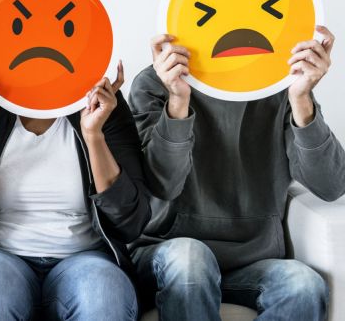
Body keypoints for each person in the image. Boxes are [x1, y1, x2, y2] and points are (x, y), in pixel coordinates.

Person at [128, 26, 344, 321]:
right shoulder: (157, 81)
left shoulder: (281, 84)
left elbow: (331, 185)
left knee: (303, 285)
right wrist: (177, 100)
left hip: (253, 257)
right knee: (191, 259)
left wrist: (301, 98)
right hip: (168, 253)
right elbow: (163, 183)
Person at [0, 51, 151, 321]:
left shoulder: (103, 102)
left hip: (84, 258)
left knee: (103, 294)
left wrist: (93, 135)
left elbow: (131, 223)